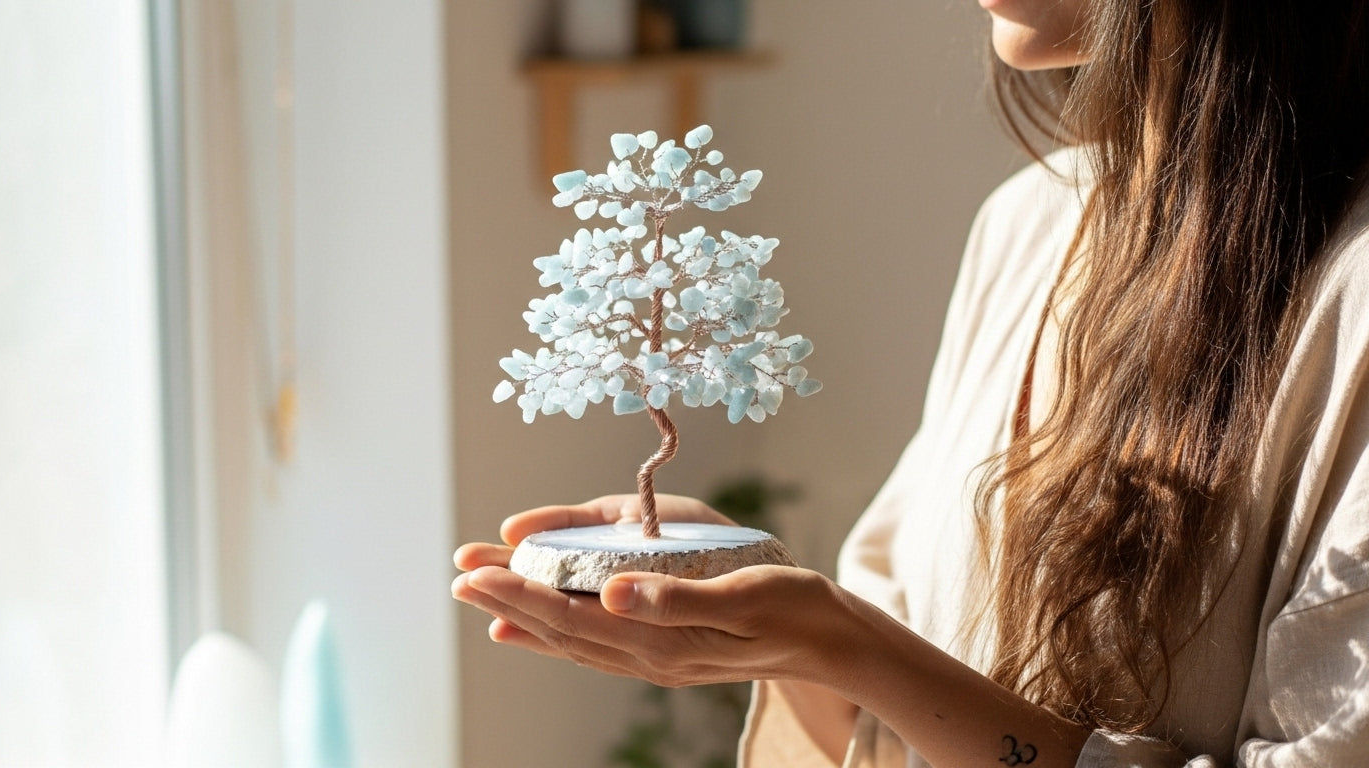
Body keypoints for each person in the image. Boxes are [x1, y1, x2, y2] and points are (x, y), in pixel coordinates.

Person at [453, 0, 1369, 765]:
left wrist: (837, 641)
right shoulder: (1027, 224)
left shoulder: (1353, 294)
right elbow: (891, 694)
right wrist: (782, 630)